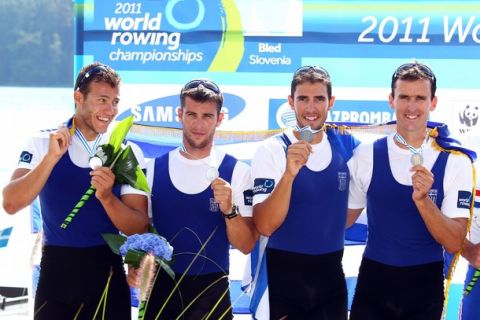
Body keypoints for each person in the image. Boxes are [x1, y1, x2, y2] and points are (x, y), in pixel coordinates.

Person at [2, 62, 149, 320]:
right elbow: (11, 203)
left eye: (114, 101)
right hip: (56, 275)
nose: (110, 110)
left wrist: (106, 198)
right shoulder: (42, 142)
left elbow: (139, 226)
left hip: (106, 275)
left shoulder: (126, 152)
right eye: (102, 99)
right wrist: (50, 160)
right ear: (78, 97)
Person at [347, 61, 474, 320]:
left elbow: (453, 242)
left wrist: (424, 200)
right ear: (391, 100)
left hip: (423, 286)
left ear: (433, 102)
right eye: (404, 97)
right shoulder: (366, 155)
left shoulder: (455, 161)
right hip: (374, 283)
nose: (412, 107)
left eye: (420, 98)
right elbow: (341, 221)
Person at [128, 79, 258, 320]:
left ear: (220, 119)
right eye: (192, 114)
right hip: (161, 293)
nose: (199, 124)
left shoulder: (238, 171)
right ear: (180, 114)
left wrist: (229, 210)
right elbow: (139, 233)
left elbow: (246, 244)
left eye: (207, 116)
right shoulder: (152, 169)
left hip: (212, 294)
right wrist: (134, 264)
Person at [250, 66, 358, 320]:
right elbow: (264, 225)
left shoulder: (348, 145)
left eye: (319, 99)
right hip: (283, 282)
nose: (311, 108)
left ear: (330, 102)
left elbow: (350, 213)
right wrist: (289, 175)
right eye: (303, 99)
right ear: (291, 102)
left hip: (331, 282)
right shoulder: (272, 150)